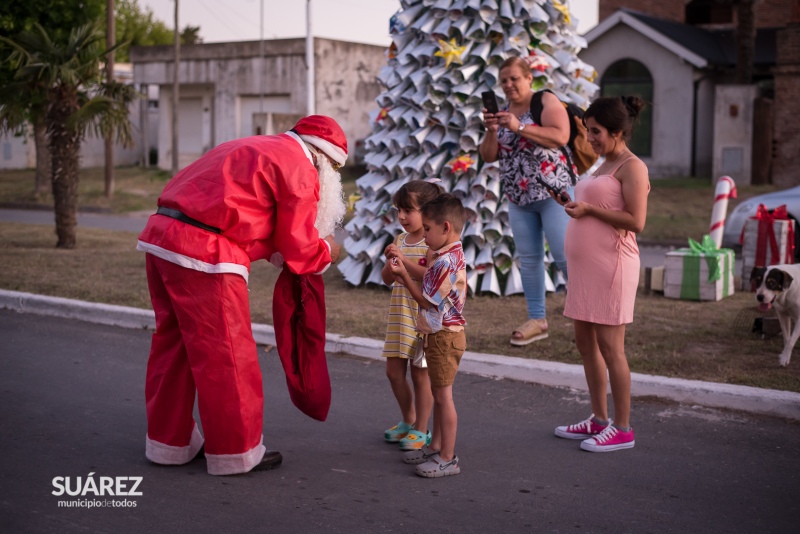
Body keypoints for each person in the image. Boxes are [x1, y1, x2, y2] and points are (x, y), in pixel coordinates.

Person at [136, 115, 348, 475]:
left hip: (160, 238)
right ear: (324, 159)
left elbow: (243, 211)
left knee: (173, 346)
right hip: (205, 253)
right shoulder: (300, 166)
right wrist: (326, 250)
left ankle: (167, 444)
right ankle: (236, 452)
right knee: (228, 352)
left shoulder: (258, 147)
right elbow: (299, 245)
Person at [552, 96, 649, 452]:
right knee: (585, 345)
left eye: (595, 131)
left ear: (617, 131)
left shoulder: (632, 166)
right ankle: (598, 419)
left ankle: (623, 428)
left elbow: (636, 221)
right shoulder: (601, 164)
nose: (589, 138)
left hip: (613, 266)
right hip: (585, 268)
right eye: (587, 130)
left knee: (611, 349)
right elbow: (597, 207)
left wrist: (590, 208)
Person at [479, 56, 575, 347]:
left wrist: (518, 126)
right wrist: (493, 130)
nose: (508, 85)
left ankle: (592, 313)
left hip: (553, 195)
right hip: (519, 197)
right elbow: (488, 155)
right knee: (530, 260)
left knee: (564, 256)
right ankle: (537, 320)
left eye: (514, 79)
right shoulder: (505, 112)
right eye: (504, 80)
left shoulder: (544, 101)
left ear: (529, 78)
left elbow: (560, 136)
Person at [388, 193, 467, 478]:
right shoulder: (449, 253)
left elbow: (424, 300)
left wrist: (403, 276)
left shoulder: (445, 263)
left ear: (445, 227)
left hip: (445, 336)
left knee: (444, 397)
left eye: (429, 231)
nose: (426, 237)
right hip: (438, 333)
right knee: (437, 392)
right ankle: (435, 446)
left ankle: (448, 457)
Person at [380, 181, 440, 451]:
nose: (402, 216)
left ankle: (422, 428)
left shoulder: (432, 242)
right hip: (400, 314)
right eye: (399, 210)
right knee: (393, 372)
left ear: (427, 211)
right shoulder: (400, 240)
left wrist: (403, 262)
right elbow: (387, 279)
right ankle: (408, 419)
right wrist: (390, 260)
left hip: (421, 315)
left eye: (408, 210)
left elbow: (429, 277)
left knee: (420, 374)